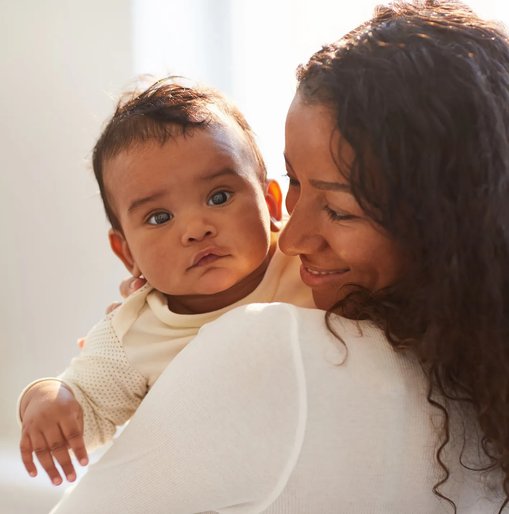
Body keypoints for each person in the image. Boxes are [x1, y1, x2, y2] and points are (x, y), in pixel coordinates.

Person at [51, 0, 509, 512]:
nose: (289, 238)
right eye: (295, 182)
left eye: (338, 209)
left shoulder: (269, 341)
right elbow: (87, 400)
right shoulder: (478, 373)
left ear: (445, 226)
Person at [17, 79, 313, 485]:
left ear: (271, 202)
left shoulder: (307, 261)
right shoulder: (134, 330)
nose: (195, 228)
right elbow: (87, 406)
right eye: (159, 217)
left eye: (219, 197)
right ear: (127, 254)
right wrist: (46, 399)